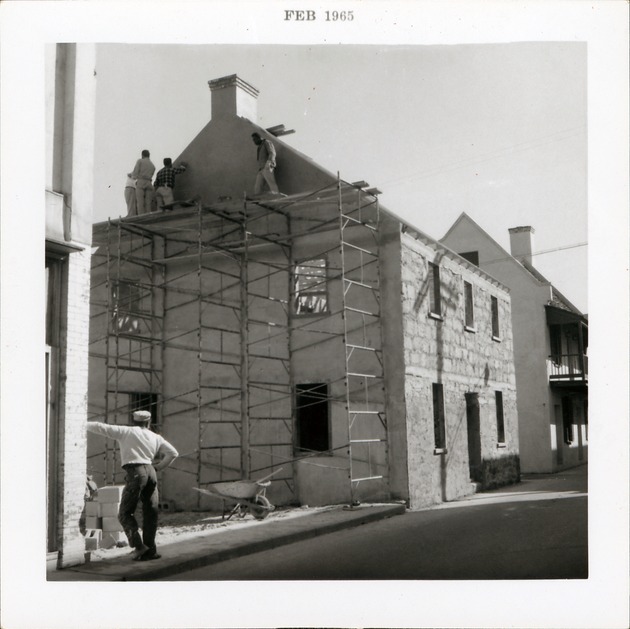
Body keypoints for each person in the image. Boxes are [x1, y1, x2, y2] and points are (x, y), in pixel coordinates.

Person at [86, 410, 178, 561]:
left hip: (135, 472)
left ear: (134, 421)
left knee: (125, 513)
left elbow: (102, 427)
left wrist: (82, 424)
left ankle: (139, 546)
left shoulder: (126, 432)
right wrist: (158, 467)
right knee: (150, 513)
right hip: (151, 472)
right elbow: (173, 453)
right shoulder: (155, 437)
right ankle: (150, 551)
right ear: (148, 422)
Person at [130, 150, 156, 214]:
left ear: (142, 155)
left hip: (141, 181)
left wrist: (133, 176)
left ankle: (141, 216)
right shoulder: (153, 165)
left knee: (140, 202)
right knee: (148, 202)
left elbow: (135, 173)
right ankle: (148, 215)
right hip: (149, 182)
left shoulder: (140, 161)